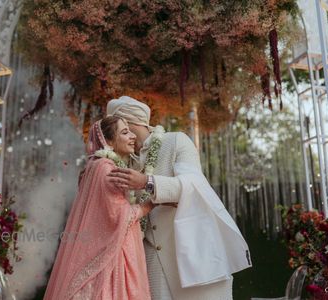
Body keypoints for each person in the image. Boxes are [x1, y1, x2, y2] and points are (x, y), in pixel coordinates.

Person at [107, 96, 252, 300]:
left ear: (129, 122)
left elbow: (193, 186)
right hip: (150, 260)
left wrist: (146, 181)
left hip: (193, 253)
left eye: (117, 127)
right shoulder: (120, 162)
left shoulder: (176, 141)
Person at [44, 116, 154, 300]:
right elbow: (120, 215)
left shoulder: (96, 166)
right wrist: (151, 204)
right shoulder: (106, 168)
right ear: (108, 141)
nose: (133, 136)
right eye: (125, 132)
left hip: (110, 247)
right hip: (112, 258)